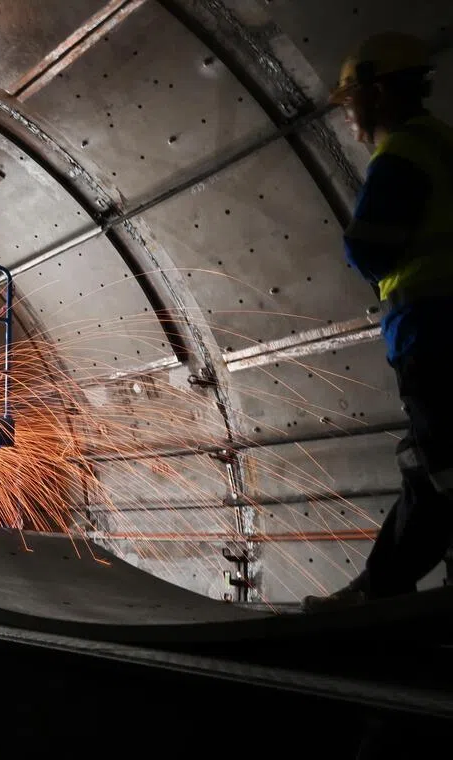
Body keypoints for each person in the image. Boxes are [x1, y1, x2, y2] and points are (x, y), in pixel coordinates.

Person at [304, 32, 453, 610]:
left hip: (433, 332)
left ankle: (381, 590)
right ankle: (383, 584)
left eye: (352, 101)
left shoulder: (402, 158)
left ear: (381, 93)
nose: (349, 115)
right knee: (435, 463)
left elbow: (368, 249)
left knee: (438, 466)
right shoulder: (444, 144)